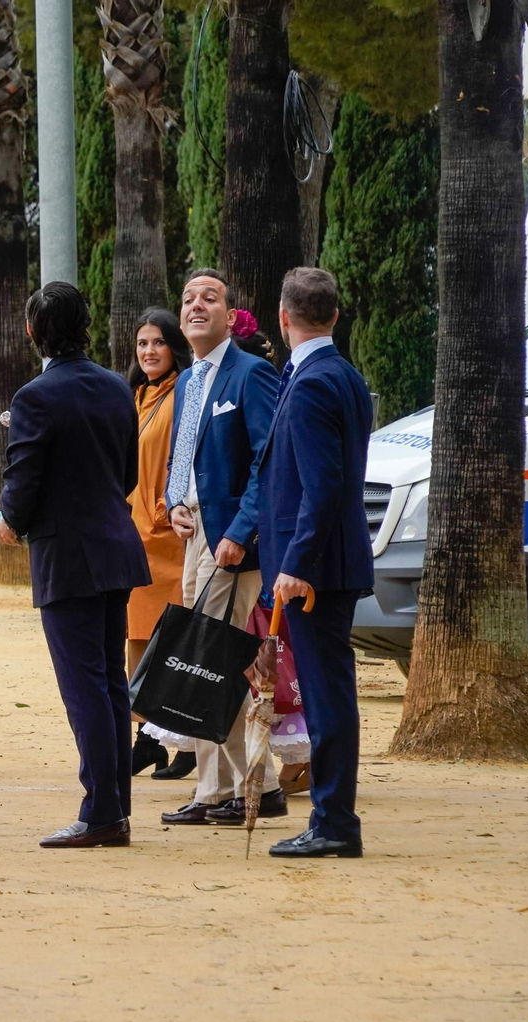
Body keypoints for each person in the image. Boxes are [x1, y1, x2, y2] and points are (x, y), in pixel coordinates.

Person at [0, 282, 152, 848]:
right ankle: (116, 807)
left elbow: (23, 477)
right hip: (115, 546)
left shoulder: (35, 396)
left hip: (68, 556)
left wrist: (11, 521)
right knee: (110, 683)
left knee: (84, 688)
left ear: (34, 331)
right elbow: (127, 472)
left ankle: (101, 811)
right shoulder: (116, 387)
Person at [154, 269, 287, 828]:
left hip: (231, 541)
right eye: (187, 299)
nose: (195, 306)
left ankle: (249, 786)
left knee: (211, 660)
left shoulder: (251, 375)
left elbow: (267, 459)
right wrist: (172, 498)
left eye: (209, 298)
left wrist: (240, 531)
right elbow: (182, 455)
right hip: (193, 534)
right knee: (203, 658)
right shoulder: (188, 380)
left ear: (231, 317)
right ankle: (226, 788)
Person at [259, 267, 374, 859]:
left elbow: (322, 485)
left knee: (328, 697)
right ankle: (334, 817)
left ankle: (333, 822)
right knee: (332, 693)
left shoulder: (311, 383)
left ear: (283, 317)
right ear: (333, 315)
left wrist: (297, 562)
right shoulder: (344, 376)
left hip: (316, 568)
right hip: (333, 561)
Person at [123, 308, 196, 780]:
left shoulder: (184, 392)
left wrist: (166, 507)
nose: (149, 351)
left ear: (174, 347)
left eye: (158, 343)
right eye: (142, 343)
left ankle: (182, 738)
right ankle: (149, 734)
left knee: (176, 640)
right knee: (139, 637)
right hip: (135, 532)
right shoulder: (137, 395)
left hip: (169, 534)